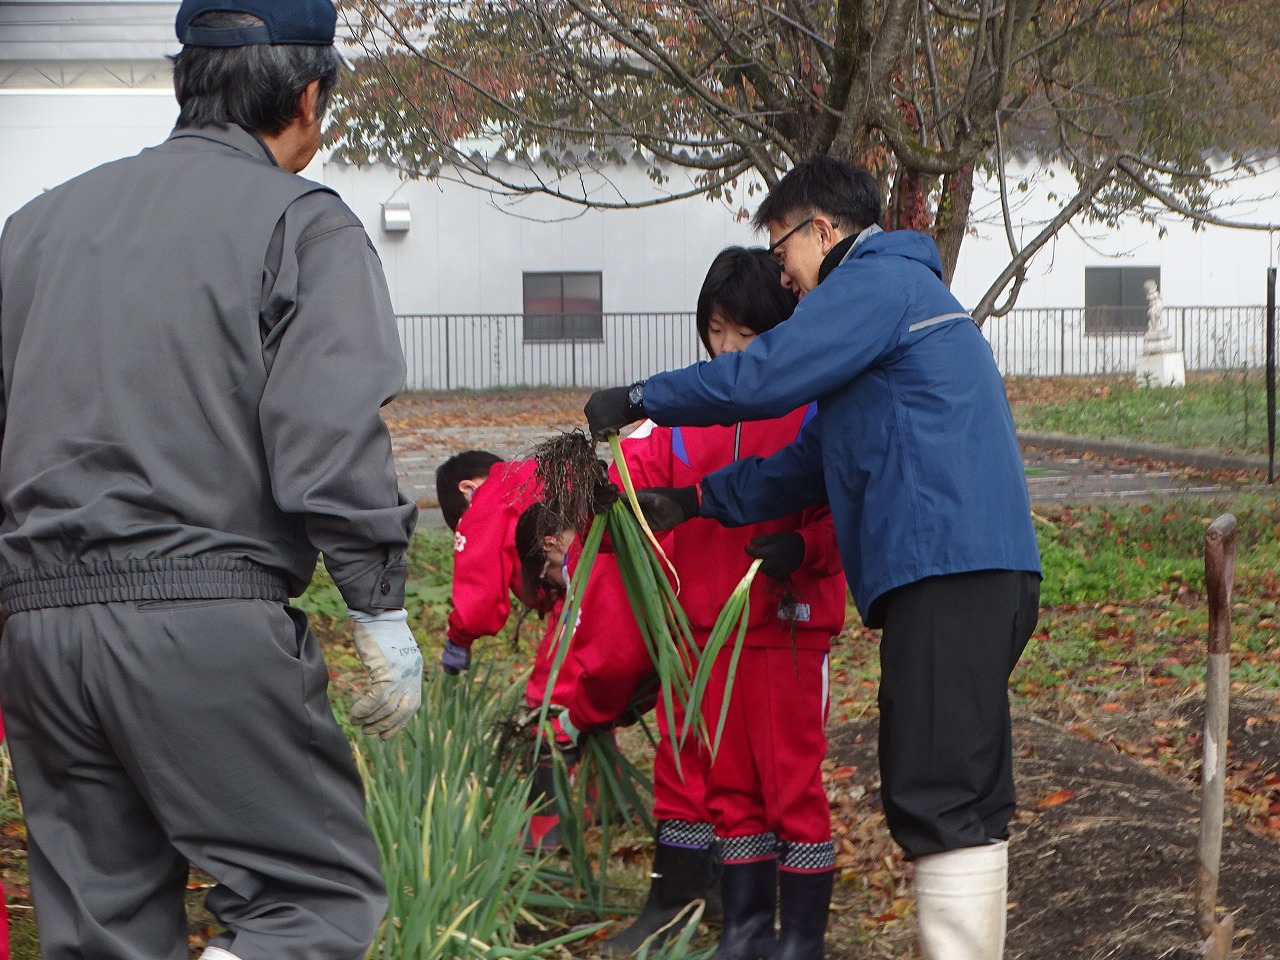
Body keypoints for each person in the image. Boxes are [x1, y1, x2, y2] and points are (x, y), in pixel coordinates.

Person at [0, 2, 422, 957]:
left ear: (188, 79)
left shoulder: (34, 228)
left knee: (100, 928)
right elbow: (328, 439)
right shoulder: (301, 225)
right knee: (306, 901)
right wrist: (379, 606)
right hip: (202, 618)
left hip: (40, 637)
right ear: (309, 98)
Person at [584, 157, 1042, 960]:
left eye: (779, 249)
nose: (782, 276)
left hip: (949, 568)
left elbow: (767, 377)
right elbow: (810, 459)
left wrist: (643, 397)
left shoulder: (875, 284)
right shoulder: (892, 309)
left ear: (821, 230)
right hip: (964, 570)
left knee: (941, 794)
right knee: (956, 788)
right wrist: (696, 503)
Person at [561, 248, 846, 960]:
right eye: (715, 332)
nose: (725, 351)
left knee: (788, 781)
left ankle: (800, 938)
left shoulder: (814, 412)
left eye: (744, 336)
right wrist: (590, 498)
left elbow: (845, 509)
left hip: (782, 627)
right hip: (698, 631)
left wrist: (802, 554)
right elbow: (636, 484)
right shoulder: (686, 423)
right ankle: (743, 932)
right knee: (724, 785)